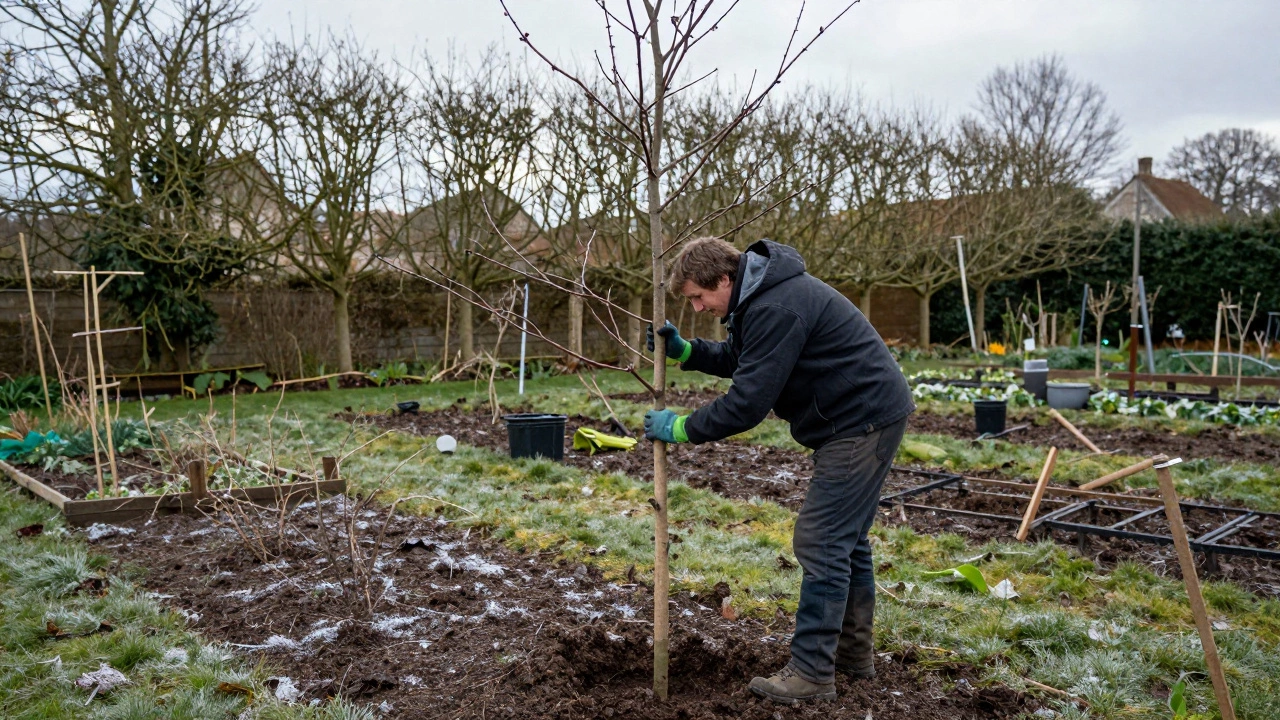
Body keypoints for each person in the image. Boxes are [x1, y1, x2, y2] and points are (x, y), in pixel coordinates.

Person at [644, 237, 914, 705]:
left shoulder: (776, 306)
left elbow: (747, 403)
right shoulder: (760, 297)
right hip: (860, 416)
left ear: (723, 278)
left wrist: (682, 428)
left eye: (698, 296)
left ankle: (812, 673)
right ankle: (850, 656)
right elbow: (743, 360)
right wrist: (687, 352)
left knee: (822, 539)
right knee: (845, 542)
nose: (698, 307)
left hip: (860, 421)